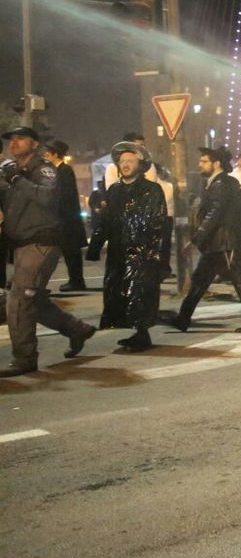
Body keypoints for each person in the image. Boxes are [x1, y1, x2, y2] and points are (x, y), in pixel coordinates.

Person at [0, 127, 98, 376]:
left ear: (35, 143)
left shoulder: (44, 170)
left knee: (19, 300)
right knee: (34, 300)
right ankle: (76, 329)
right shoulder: (11, 171)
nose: (14, 143)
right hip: (21, 245)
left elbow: (47, 198)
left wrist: (17, 180)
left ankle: (25, 358)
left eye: (21, 138)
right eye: (11, 139)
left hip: (41, 243)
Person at [170, 146, 241, 334]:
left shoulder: (221, 184)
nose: (200, 164)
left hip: (224, 243)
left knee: (238, 280)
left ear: (216, 164)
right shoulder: (221, 182)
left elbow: (215, 213)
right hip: (218, 243)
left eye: (204, 161)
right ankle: (183, 319)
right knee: (200, 280)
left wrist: (197, 238)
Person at [87, 141, 166, 351]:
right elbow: (105, 220)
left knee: (139, 292)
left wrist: (150, 249)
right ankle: (136, 332)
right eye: (122, 161)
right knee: (119, 292)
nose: (125, 164)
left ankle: (142, 333)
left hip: (140, 251)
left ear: (140, 164)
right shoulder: (114, 190)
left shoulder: (152, 190)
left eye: (130, 160)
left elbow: (157, 221)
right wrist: (95, 246)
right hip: (118, 251)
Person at [43, 140, 89, 291]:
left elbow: (66, 195)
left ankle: (77, 281)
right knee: (68, 252)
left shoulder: (64, 170)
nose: (45, 155)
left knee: (72, 253)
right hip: (64, 220)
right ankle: (75, 281)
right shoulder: (58, 170)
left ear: (56, 154)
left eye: (48, 152)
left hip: (68, 221)